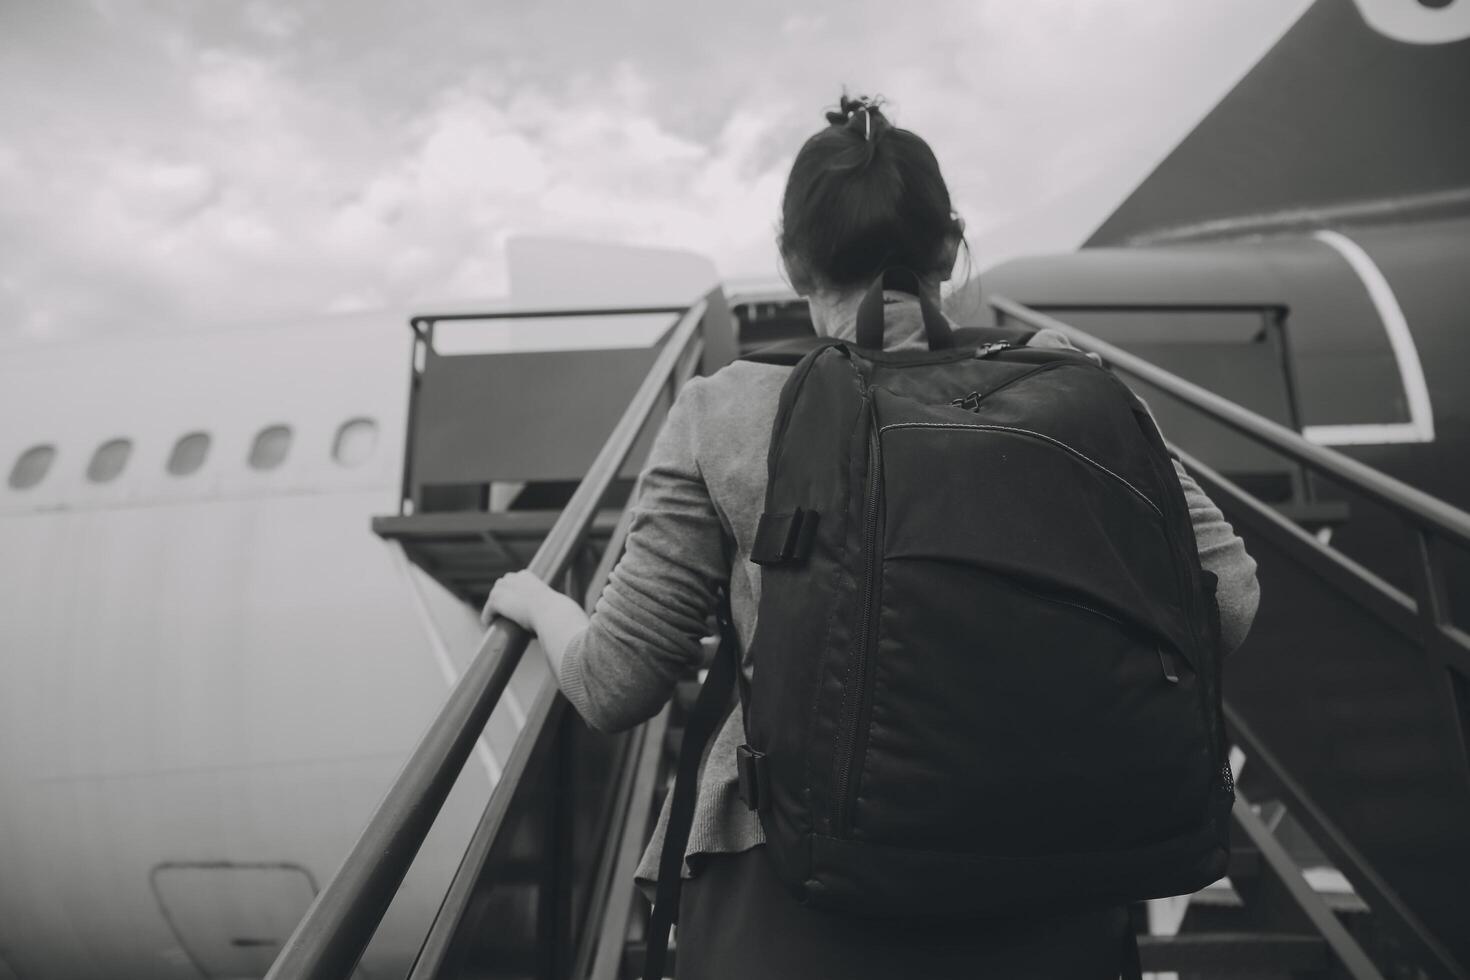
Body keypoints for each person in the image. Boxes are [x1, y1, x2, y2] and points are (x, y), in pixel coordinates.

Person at [483, 94, 1261, 979]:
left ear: (791, 259)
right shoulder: (1068, 382)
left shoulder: (725, 409)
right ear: (949, 245)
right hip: (1058, 891)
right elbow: (1226, 600)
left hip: (794, 902)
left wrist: (535, 599)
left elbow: (615, 683)